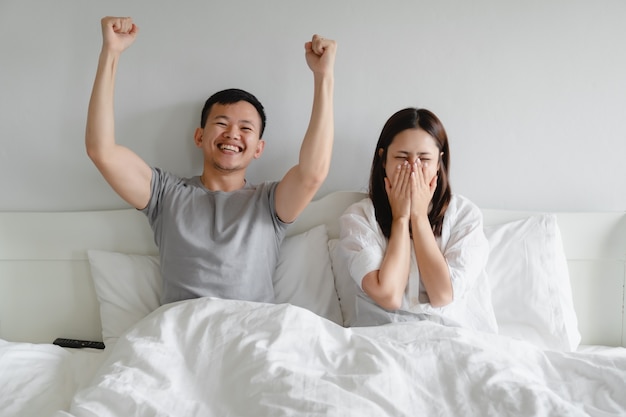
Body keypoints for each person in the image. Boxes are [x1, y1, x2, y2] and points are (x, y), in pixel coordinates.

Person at [86, 16, 336, 305]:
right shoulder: (166, 194)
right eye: (221, 123)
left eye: (246, 128)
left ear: (258, 148)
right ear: (199, 136)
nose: (232, 134)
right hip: (182, 333)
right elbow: (100, 150)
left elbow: (313, 173)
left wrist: (323, 76)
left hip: (251, 332)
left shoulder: (270, 203)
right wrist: (110, 53)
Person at [337, 108, 498, 333]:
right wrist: (401, 219)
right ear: (384, 160)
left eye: (423, 159)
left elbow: (442, 294)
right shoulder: (359, 218)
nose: (413, 169)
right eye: (402, 158)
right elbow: (389, 296)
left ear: (438, 164)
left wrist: (419, 217)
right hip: (379, 336)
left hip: (450, 336)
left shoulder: (464, 215)